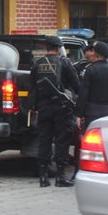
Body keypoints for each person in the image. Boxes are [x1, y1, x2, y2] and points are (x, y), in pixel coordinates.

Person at [30, 36, 81, 188]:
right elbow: (77, 86)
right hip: (62, 108)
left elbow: (32, 88)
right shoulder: (65, 63)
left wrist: (34, 107)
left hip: (43, 108)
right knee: (61, 141)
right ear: (59, 48)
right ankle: (60, 177)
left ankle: (43, 177)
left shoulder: (37, 64)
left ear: (47, 48)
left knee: (44, 140)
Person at [77, 41, 108, 131]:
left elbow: (83, 93)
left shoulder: (91, 70)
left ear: (96, 53)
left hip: (91, 113)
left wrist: (79, 114)